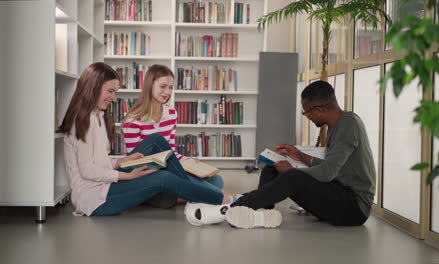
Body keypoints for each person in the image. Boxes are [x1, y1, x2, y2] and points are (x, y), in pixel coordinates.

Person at [60, 62, 235, 218]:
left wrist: (120, 161)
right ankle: (228, 200)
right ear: (93, 87)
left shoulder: (97, 116)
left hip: (105, 186)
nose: (113, 97)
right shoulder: (82, 121)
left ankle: (196, 195)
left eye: (115, 92)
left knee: (213, 180)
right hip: (94, 198)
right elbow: (87, 171)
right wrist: (127, 175)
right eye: (110, 91)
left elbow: (98, 162)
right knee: (164, 177)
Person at [194, 80, 376, 228]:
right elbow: (335, 168)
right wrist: (299, 155)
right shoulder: (336, 125)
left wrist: (290, 171)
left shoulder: (348, 126)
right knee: (273, 167)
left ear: (320, 110)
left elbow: (328, 173)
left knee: (292, 177)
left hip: (353, 208)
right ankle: (260, 210)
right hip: (339, 192)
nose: (307, 117)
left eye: (307, 112)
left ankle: (228, 210)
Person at [120, 64, 225, 209]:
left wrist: (188, 161)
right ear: (150, 85)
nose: (167, 92)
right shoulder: (133, 119)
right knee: (169, 189)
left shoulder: (171, 114)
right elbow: (133, 161)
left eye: (170, 87)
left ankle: (187, 194)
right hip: (147, 174)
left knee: (216, 180)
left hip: (171, 170)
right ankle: (221, 197)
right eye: (162, 86)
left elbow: (172, 152)